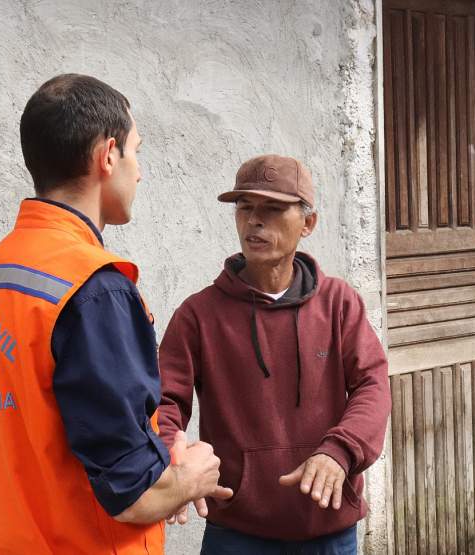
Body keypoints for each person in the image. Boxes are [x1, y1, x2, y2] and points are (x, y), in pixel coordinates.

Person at [0, 73, 230, 554]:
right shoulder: (95, 290)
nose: (139, 171)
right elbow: (132, 494)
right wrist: (190, 476)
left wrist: (158, 454)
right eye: (136, 152)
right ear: (108, 155)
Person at [157, 155, 391, 554]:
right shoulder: (198, 315)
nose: (254, 221)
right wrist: (170, 457)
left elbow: (373, 385)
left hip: (327, 525)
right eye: (245, 208)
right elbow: (162, 401)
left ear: (308, 223)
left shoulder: (339, 304)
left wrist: (339, 452)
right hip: (236, 531)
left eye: (273, 209)